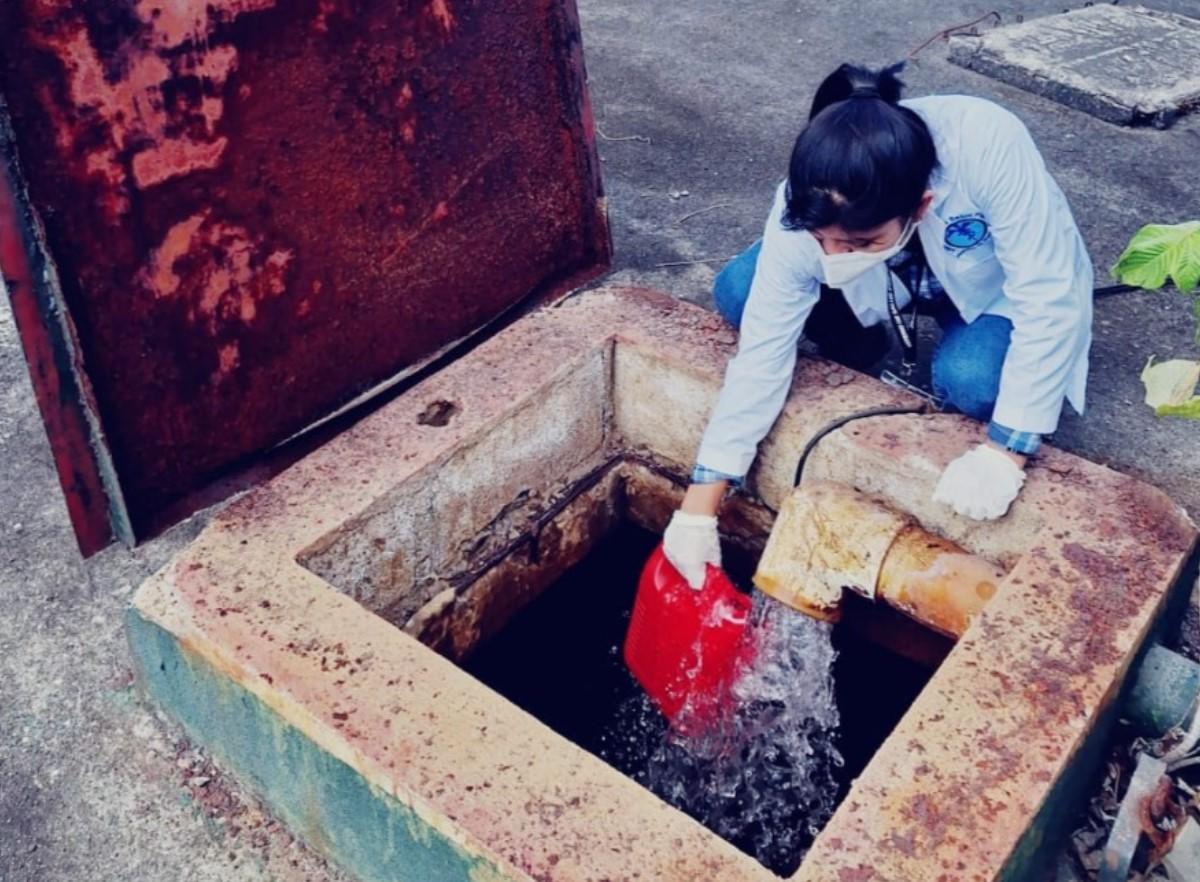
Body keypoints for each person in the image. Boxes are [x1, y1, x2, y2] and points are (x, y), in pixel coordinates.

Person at [663, 61, 1093, 588]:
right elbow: (762, 352)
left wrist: (1007, 451)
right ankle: (861, 342)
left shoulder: (986, 142)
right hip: (893, 281)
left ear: (922, 205)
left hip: (992, 290)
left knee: (972, 382)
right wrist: (699, 504)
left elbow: (1047, 293)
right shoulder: (804, 206)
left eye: (857, 243)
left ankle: (966, 352)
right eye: (822, 241)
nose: (833, 255)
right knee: (743, 289)